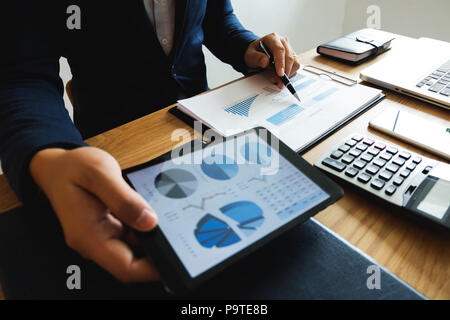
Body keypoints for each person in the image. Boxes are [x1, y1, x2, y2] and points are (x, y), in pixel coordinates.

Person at [0, 1, 300, 283]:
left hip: (204, 132)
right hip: (114, 153)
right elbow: (21, 75)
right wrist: (50, 154)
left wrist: (248, 48)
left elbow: (217, 19)